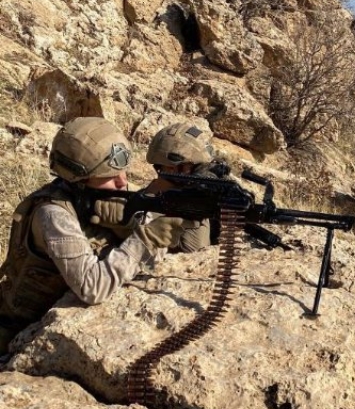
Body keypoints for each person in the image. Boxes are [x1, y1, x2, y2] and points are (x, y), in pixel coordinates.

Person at [0, 117, 186, 356]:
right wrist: (142, 240)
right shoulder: (53, 215)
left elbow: (157, 251)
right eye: (109, 176)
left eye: (123, 171)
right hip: (18, 333)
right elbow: (92, 287)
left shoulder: (100, 197)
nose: (122, 182)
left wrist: (137, 223)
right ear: (80, 180)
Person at [145, 122, 221, 253]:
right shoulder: (146, 211)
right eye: (196, 168)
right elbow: (195, 252)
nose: (202, 174)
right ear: (171, 169)